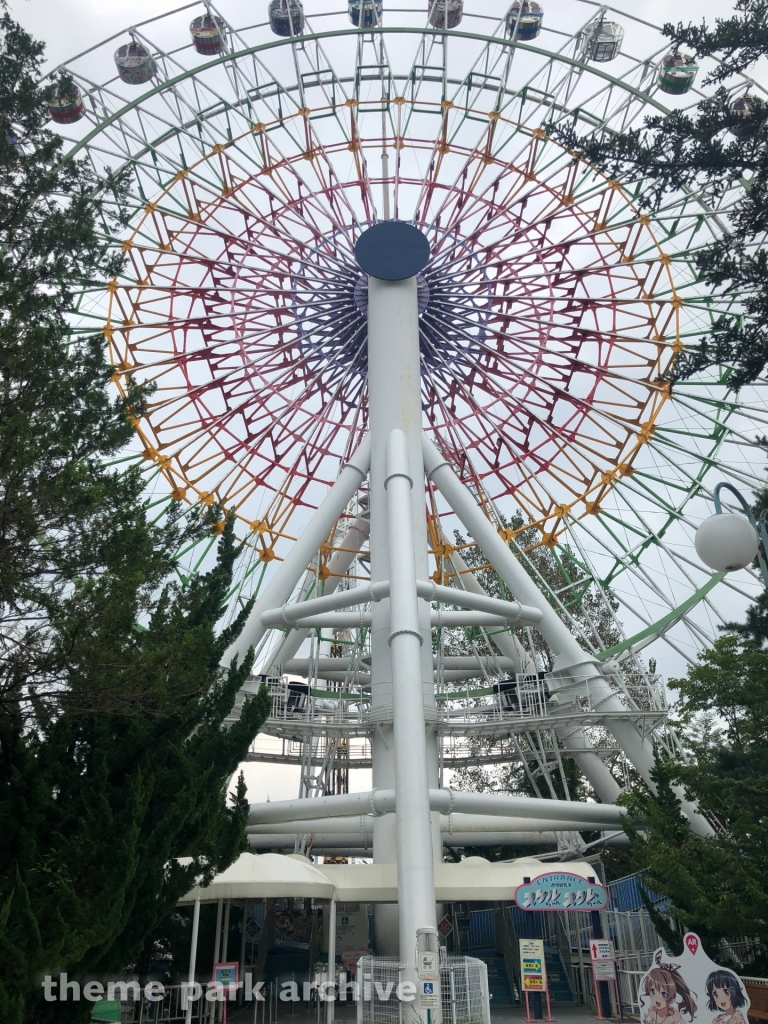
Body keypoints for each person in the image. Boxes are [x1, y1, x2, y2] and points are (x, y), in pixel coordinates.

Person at [641, 953, 698, 1024]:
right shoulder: (650, 1012)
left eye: (663, 994)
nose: (657, 998)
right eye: (653, 991)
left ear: (671, 995)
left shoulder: (675, 1015)